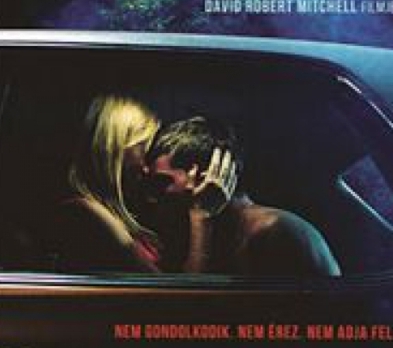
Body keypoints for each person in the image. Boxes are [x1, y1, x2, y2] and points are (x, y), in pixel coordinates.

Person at [145, 116, 341, 276]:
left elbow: (193, 305)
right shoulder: (202, 229)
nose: (157, 196)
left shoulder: (275, 230)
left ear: (206, 175)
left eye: (164, 181)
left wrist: (201, 216)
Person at [53, 95, 161, 273]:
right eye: (143, 149)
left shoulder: (115, 211)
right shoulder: (88, 212)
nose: (145, 168)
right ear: (115, 148)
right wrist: (199, 215)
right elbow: (163, 288)